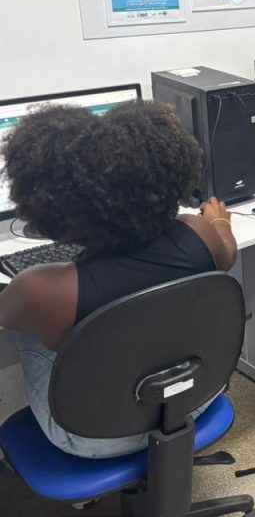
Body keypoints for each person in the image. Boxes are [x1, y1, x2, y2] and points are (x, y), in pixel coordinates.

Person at [0, 101, 238, 458]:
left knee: (27, 326)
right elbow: (228, 254)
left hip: (92, 436)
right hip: (195, 398)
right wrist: (218, 221)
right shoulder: (196, 231)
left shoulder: (43, 290)